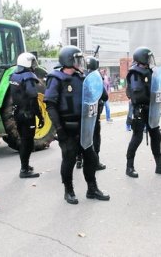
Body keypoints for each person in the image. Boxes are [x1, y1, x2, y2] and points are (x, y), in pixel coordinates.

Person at [44, 45, 110, 204]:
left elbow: (101, 96)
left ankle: (92, 189)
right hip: (67, 128)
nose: (80, 62)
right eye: (77, 59)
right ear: (68, 60)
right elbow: (50, 105)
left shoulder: (82, 78)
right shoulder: (56, 78)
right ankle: (69, 191)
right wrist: (59, 129)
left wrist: (96, 83)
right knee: (69, 160)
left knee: (91, 158)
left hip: (84, 127)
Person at [125, 46, 161, 178]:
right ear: (142, 58)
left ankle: (160, 166)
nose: (151, 60)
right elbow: (136, 93)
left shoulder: (151, 71)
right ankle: (129, 167)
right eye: (148, 57)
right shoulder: (135, 73)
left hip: (151, 110)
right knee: (137, 138)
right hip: (140, 110)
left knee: (157, 136)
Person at [9, 52, 44, 178]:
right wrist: (40, 116)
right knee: (27, 142)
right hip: (27, 115)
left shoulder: (14, 76)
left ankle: (25, 165)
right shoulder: (28, 77)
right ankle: (24, 169)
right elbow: (33, 98)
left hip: (17, 113)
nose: (34, 65)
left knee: (24, 140)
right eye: (32, 62)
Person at [75, 56, 107, 171]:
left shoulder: (79, 76)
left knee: (81, 135)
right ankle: (95, 161)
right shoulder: (95, 78)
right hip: (93, 114)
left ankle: (79, 159)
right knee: (95, 137)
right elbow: (105, 96)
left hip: (81, 114)